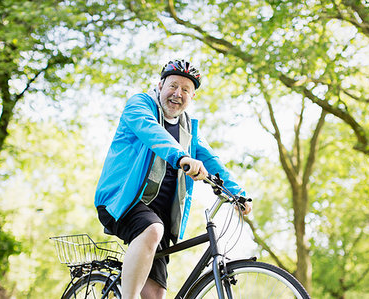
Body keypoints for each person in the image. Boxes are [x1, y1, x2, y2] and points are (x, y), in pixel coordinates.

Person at [94, 59, 252, 299]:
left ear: (192, 97)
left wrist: (237, 193)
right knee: (152, 230)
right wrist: (181, 157)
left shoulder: (188, 129)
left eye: (186, 90)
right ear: (160, 85)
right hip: (123, 199)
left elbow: (211, 159)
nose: (178, 94)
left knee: (156, 294)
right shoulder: (141, 105)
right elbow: (150, 131)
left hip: (162, 215)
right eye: (173, 86)